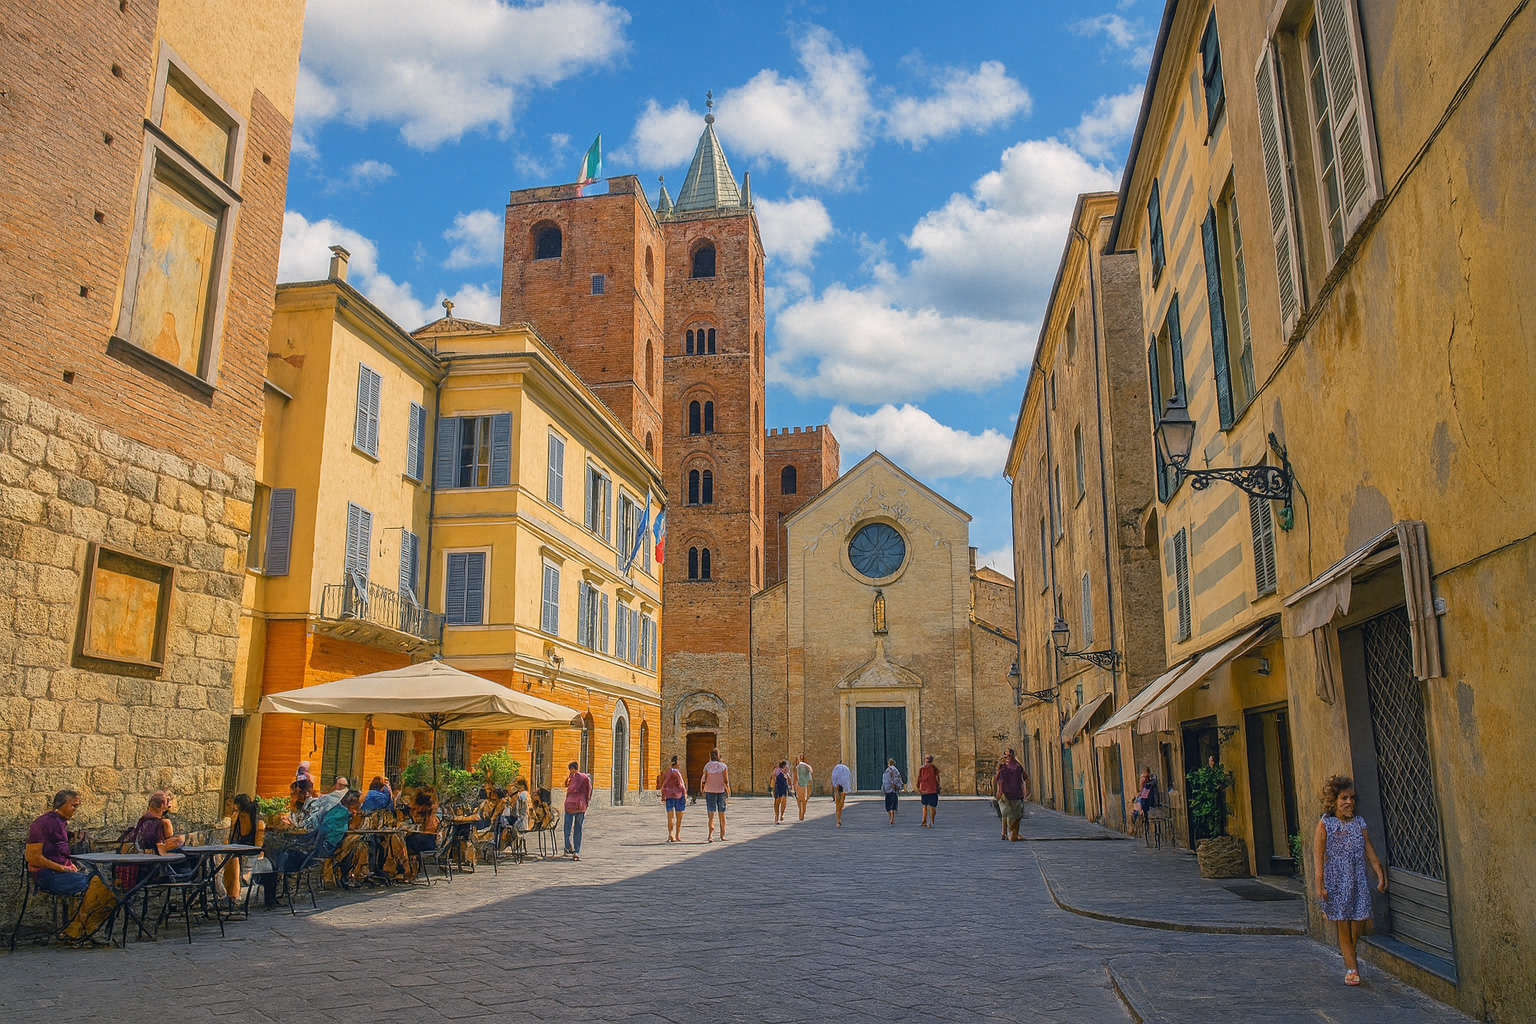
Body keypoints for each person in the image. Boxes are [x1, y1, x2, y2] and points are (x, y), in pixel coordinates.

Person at [1313, 774, 1388, 986]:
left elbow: (1370, 852)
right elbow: (1318, 857)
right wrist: (1320, 886)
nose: (1349, 802)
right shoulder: (1326, 825)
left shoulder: (1359, 824)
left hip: (1358, 882)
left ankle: (1349, 953)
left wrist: (1380, 873)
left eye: (1352, 798)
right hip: (1336, 883)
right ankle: (1351, 967)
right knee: (1343, 924)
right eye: (1344, 798)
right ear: (1334, 801)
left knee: (1360, 920)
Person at [25, 788, 117, 945]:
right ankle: (79, 930)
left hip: (61, 873)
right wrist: (61, 868)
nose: (76, 809)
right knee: (100, 885)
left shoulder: (61, 822)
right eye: (73, 806)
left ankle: (78, 929)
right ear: (61, 804)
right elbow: (32, 857)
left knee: (111, 888)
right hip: (47, 875)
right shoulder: (43, 823)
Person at [224, 793, 265, 905]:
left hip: (252, 858)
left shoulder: (258, 823)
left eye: (236, 810)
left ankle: (234, 896)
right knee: (230, 860)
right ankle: (230, 896)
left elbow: (258, 848)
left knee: (234, 860)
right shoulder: (236, 822)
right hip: (238, 855)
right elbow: (231, 842)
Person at [994, 748, 1030, 840]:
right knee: (1013, 815)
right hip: (1011, 794)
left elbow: (996, 780)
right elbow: (997, 780)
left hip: (1011, 794)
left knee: (1007, 814)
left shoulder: (1007, 767)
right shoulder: (1016, 766)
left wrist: (997, 792)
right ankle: (1011, 834)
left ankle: (1007, 833)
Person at [563, 761, 592, 860]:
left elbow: (567, 787)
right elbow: (588, 791)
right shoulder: (584, 778)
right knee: (578, 828)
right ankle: (576, 850)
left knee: (567, 827)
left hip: (570, 806)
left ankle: (568, 846)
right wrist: (586, 803)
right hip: (580, 806)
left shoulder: (572, 778)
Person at [701, 748, 730, 842]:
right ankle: (722, 835)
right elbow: (726, 780)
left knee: (711, 815)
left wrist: (702, 789)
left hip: (709, 791)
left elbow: (704, 779)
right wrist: (728, 792)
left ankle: (710, 835)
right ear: (719, 756)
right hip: (721, 791)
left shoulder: (707, 766)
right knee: (722, 814)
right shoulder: (723, 766)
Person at [658, 756, 687, 842]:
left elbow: (663, 784)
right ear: (676, 763)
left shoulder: (667, 772)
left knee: (670, 817)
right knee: (679, 817)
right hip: (678, 795)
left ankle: (671, 834)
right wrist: (684, 793)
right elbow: (680, 784)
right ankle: (677, 834)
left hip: (668, 795)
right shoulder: (677, 773)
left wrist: (663, 795)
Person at [916, 755, 941, 828]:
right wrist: (938, 786)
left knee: (924, 805)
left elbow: (919, 779)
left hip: (924, 790)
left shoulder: (921, 768)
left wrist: (918, 787)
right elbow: (937, 778)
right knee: (932, 806)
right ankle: (931, 822)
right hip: (932, 789)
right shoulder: (934, 768)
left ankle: (924, 821)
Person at [829, 760, 852, 826]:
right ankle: (838, 818)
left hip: (837, 786)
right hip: (843, 785)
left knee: (837, 804)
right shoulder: (845, 769)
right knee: (841, 802)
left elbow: (834, 778)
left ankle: (838, 819)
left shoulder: (836, 769)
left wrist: (834, 785)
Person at [881, 759, 904, 824]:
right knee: (893, 804)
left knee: (888, 805)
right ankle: (892, 818)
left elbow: (885, 780)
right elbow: (898, 778)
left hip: (889, 790)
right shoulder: (895, 770)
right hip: (893, 790)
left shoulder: (888, 770)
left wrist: (890, 784)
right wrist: (896, 785)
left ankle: (891, 817)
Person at [771, 760, 791, 824]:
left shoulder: (783, 771)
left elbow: (788, 778)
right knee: (779, 802)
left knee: (780, 802)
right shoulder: (777, 770)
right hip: (780, 787)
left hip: (782, 787)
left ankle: (779, 816)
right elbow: (773, 777)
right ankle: (777, 817)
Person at [794, 755, 813, 821]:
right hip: (803, 784)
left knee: (801, 800)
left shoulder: (800, 766)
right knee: (802, 800)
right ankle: (801, 813)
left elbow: (795, 777)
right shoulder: (803, 767)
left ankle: (801, 813)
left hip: (802, 784)